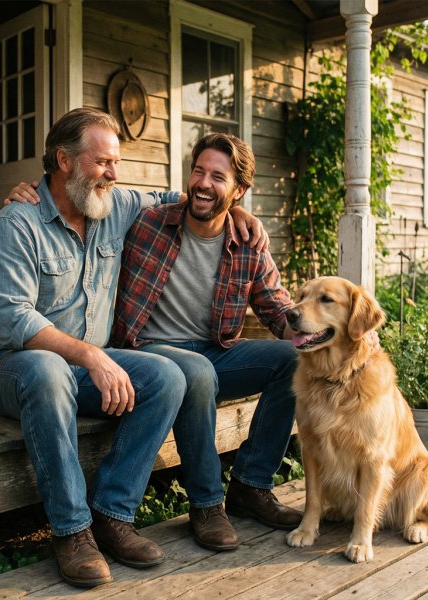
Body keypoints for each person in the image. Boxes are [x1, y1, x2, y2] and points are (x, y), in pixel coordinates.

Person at [0, 108, 265, 588]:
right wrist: (92, 355)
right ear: (63, 161)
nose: (114, 174)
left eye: (116, 162)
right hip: (17, 368)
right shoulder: (17, 224)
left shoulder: (113, 205)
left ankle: (113, 514)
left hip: (86, 368)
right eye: (102, 162)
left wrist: (235, 208)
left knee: (168, 376)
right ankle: (72, 531)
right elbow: (12, 318)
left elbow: (185, 197)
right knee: (49, 371)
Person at [110, 133, 302, 551]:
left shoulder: (248, 243)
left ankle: (251, 486)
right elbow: (91, 194)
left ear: (239, 190)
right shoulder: (148, 222)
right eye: (199, 171)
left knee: (294, 358)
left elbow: (277, 309)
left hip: (215, 352)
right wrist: (34, 190)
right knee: (196, 372)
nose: (203, 183)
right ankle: (207, 504)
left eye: (218, 177)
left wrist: (318, 336)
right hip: (147, 352)